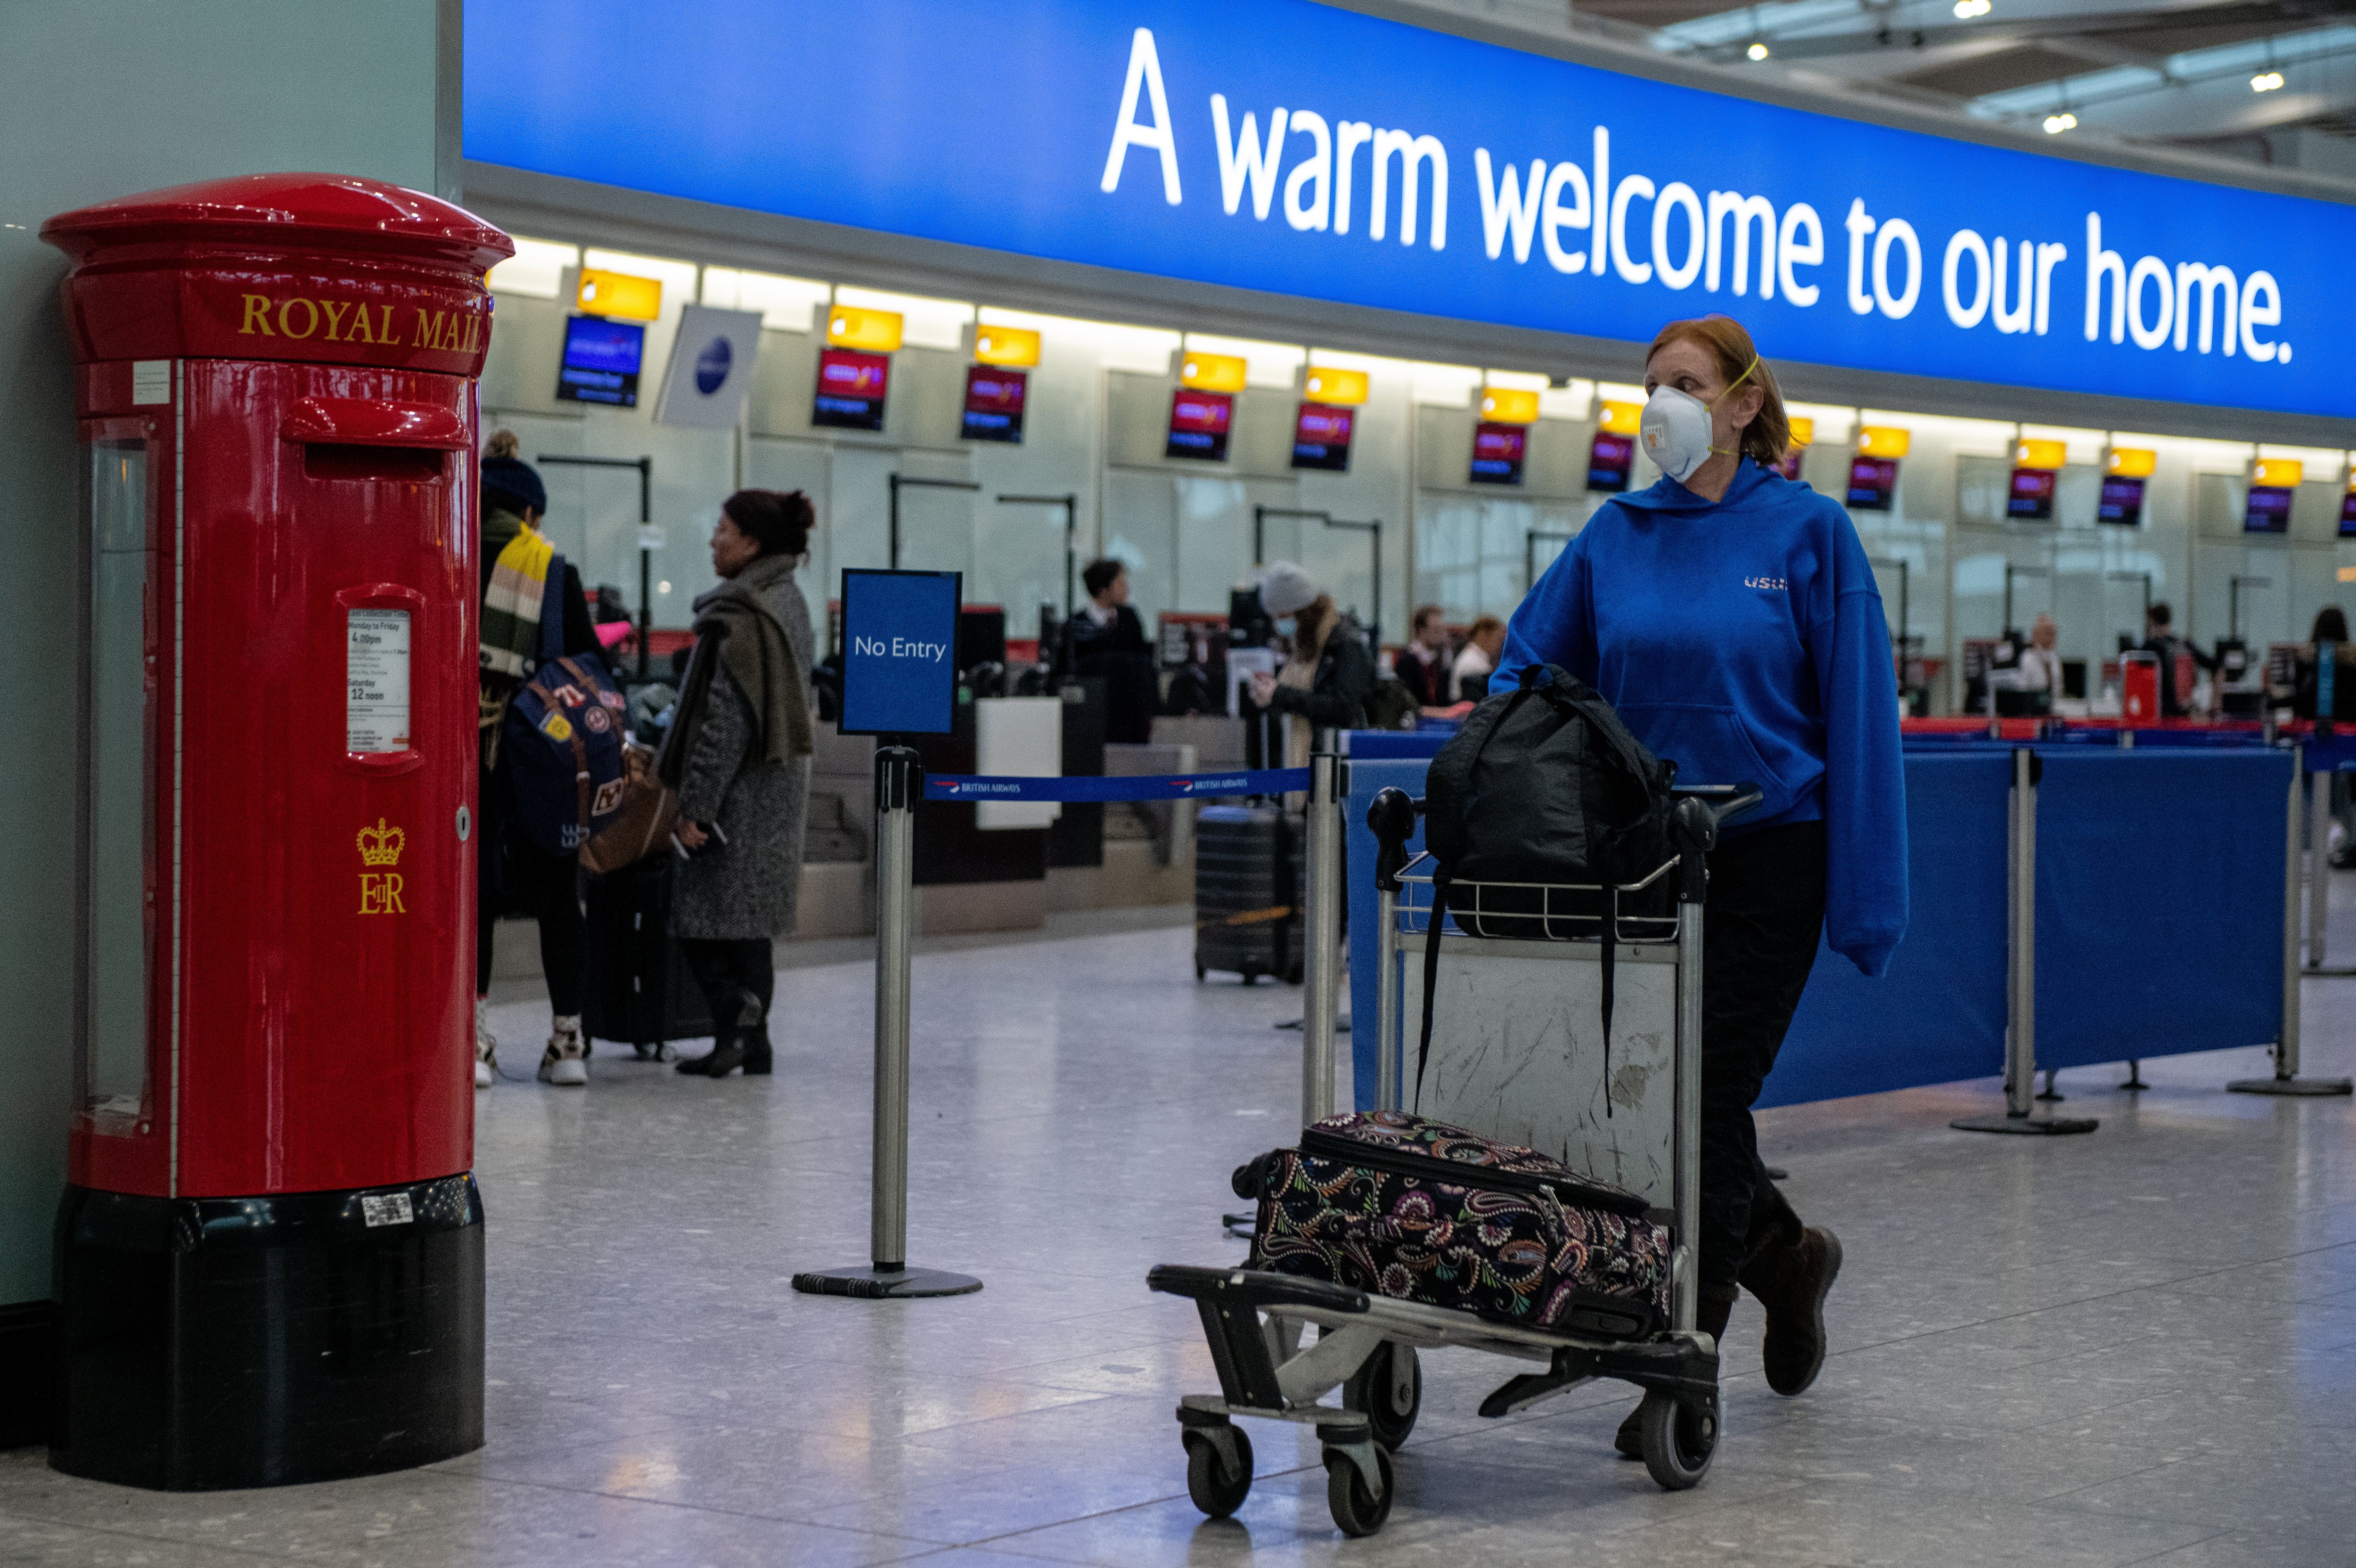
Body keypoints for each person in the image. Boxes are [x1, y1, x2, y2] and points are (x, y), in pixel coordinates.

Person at [1492, 314, 1906, 1455]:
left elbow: (1861, 718)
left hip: (1771, 850)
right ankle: (1785, 1253)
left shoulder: (1811, 532)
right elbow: (1531, 666)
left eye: (1683, 384)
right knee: (1649, 1093)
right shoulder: (1613, 534)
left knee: (1702, 1091)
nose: (1657, 403)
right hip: (1643, 852)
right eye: (1648, 384)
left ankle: (1692, 1352)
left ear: (1740, 405)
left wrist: (1868, 900)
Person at [663, 490, 817, 1080]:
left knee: (698, 924)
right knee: (750, 932)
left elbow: (721, 722)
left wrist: (695, 805)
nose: (713, 540)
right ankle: (752, 1044)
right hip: (775, 792)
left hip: (737, 798)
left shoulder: (743, 613)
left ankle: (735, 1017)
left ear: (750, 543)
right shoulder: (788, 601)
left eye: (722, 530)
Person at [474, 434, 605, 1088]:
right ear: (530, 514)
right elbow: (584, 669)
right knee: (559, 897)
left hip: (466, 755)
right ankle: (569, 1044)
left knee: (476, 898)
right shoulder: (552, 570)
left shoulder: (450, 555)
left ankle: (474, 1045)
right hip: (543, 756)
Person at [1246, 561, 1376, 763]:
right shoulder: (1302, 650)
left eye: (1283, 616)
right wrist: (1266, 697)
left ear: (1303, 613)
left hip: (1332, 764)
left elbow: (1342, 708)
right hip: (1296, 761)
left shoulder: (1346, 645)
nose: (1278, 623)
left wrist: (1279, 694)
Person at [1056, 558, 1158, 743]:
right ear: (1103, 590)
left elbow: (1143, 663)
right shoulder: (1076, 625)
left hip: (1128, 716)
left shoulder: (1129, 619)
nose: (1126, 588)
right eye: (1119, 583)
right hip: (1092, 717)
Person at [2139, 602, 2216, 718]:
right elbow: (2216, 666)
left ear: (2152, 622)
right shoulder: (2184, 644)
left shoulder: (2150, 647)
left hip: (2160, 714)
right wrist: (2214, 705)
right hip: (2184, 713)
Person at [1391, 604, 1452, 705]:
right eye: (1436, 630)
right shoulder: (1408, 663)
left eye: (1442, 630)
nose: (1442, 635)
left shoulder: (1439, 661)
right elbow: (1410, 704)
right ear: (1422, 632)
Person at [1450, 615, 1506, 703]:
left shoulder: (1474, 657)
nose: (1500, 645)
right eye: (1498, 639)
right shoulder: (1473, 662)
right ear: (1484, 635)